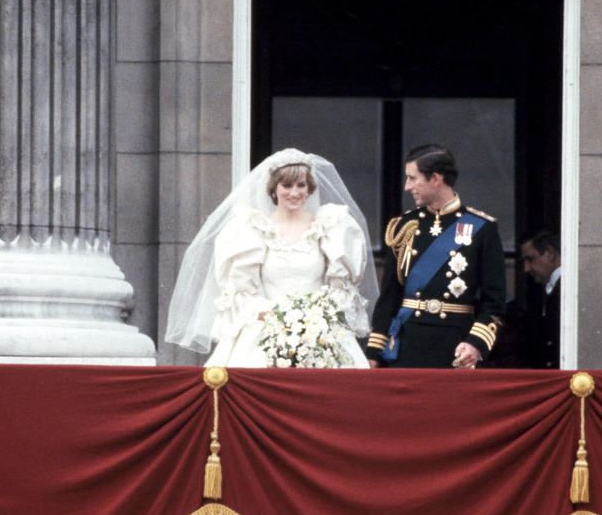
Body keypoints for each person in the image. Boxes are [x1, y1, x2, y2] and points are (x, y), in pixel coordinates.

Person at [165, 148, 379, 368]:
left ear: (309, 188)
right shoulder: (251, 229)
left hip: (319, 330)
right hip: (266, 326)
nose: (295, 193)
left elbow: (340, 288)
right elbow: (242, 291)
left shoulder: (330, 226)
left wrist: (315, 320)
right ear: (274, 189)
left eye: (301, 185)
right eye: (287, 185)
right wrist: (278, 320)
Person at [366, 144, 506, 369]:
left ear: (435, 179)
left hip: (455, 349)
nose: (406, 186)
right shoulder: (405, 226)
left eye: (413, 178)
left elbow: (494, 303)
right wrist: (374, 352)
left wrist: (475, 343)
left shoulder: (482, 228)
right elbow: (389, 298)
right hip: (406, 350)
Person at [517, 228, 561, 368]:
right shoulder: (547, 288)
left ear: (549, 253)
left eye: (530, 259)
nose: (526, 268)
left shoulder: (569, 289)